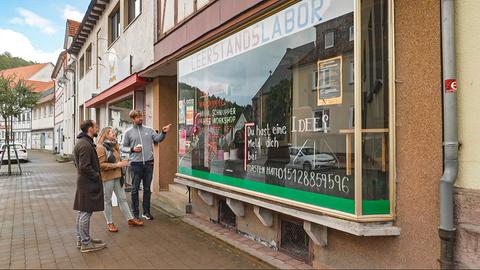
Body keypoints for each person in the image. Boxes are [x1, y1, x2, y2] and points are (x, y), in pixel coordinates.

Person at [122, 110, 172, 220]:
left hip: (149, 164)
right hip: (135, 164)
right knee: (134, 189)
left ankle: (146, 212)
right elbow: (123, 148)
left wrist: (163, 132)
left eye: (141, 116)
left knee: (147, 189)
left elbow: (158, 139)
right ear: (133, 119)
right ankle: (135, 213)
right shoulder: (128, 132)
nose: (141, 118)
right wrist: (132, 149)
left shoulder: (149, 130)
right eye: (138, 117)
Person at [96, 127, 144, 232]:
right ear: (105, 134)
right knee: (107, 200)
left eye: (114, 132)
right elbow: (101, 165)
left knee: (122, 199)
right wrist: (117, 164)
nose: (114, 133)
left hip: (118, 176)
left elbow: (118, 160)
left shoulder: (114, 145)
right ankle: (110, 223)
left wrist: (124, 162)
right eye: (111, 132)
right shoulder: (100, 147)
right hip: (107, 178)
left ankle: (130, 219)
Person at [73, 120, 107, 253]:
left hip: (84, 183)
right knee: (85, 212)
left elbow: (78, 164)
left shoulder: (83, 143)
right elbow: (84, 167)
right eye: (95, 126)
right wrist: (97, 176)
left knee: (82, 211)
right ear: (90, 129)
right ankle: (86, 243)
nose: (97, 128)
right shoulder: (85, 145)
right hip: (88, 184)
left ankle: (82, 239)